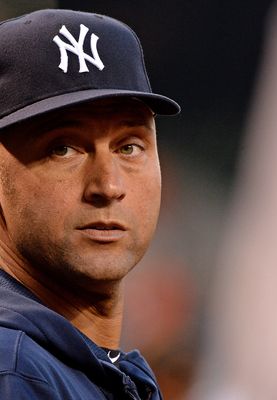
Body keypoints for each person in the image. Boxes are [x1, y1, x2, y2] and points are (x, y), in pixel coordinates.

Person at [0, 8, 180, 400]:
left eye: (129, 146)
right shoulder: (16, 373)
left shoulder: (72, 365)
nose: (108, 185)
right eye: (62, 148)